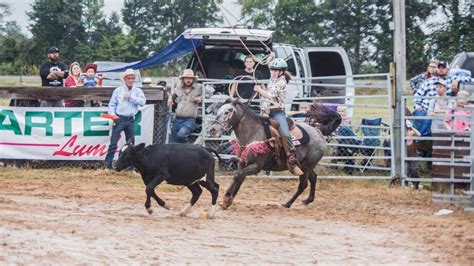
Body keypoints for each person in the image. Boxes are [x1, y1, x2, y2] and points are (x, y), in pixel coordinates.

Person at [254, 58, 303, 176]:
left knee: (285, 133)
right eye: (273, 69)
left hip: (277, 112)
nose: (274, 72)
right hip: (266, 111)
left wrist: (259, 89)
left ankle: (291, 157)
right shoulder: (272, 80)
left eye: (276, 70)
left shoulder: (282, 81)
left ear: (281, 71)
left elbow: (270, 95)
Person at [104, 69, 146, 170]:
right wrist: (113, 115)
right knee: (113, 143)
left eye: (132, 78)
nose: (131, 80)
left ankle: (130, 168)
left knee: (131, 145)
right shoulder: (118, 90)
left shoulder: (138, 91)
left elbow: (143, 102)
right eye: (129, 78)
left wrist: (131, 98)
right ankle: (108, 166)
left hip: (130, 119)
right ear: (124, 79)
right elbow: (112, 105)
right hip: (119, 119)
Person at [168, 69, 202, 143]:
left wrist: (200, 98)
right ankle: (180, 153)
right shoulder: (179, 87)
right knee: (174, 139)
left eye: (190, 78)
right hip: (177, 118)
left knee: (181, 135)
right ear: (183, 79)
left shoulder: (199, 87)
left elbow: (209, 94)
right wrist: (170, 99)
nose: (188, 80)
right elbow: (173, 94)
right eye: (186, 78)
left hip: (190, 119)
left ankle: (188, 150)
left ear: (193, 79)